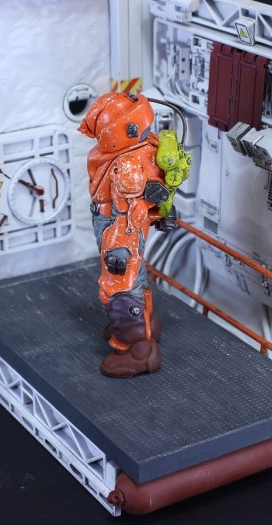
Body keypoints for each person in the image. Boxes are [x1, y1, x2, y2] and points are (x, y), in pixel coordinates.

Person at [78, 92, 173, 377]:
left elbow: (126, 215)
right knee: (136, 277)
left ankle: (138, 349)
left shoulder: (127, 165)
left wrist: (118, 249)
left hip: (120, 232)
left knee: (118, 287)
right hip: (124, 229)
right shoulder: (142, 150)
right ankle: (147, 326)